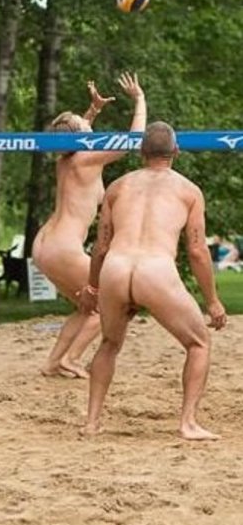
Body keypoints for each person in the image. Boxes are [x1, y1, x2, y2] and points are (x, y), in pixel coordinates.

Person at [77, 121, 227, 440]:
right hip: (155, 270)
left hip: (116, 268)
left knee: (109, 343)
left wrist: (92, 288)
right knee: (198, 343)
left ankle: (91, 422)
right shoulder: (188, 191)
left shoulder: (118, 186)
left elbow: (101, 245)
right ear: (176, 151)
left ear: (142, 151)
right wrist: (212, 300)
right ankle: (187, 423)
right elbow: (198, 250)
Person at [32, 73, 147, 378]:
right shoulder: (87, 160)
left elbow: (75, 138)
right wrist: (139, 100)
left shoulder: (66, 160)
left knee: (86, 307)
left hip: (44, 245)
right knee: (109, 306)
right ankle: (72, 358)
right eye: (84, 124)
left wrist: (92, 112)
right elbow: (132, 142)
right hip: (63, 248)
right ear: (80, 136)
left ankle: (54, 362)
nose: (89, 125)